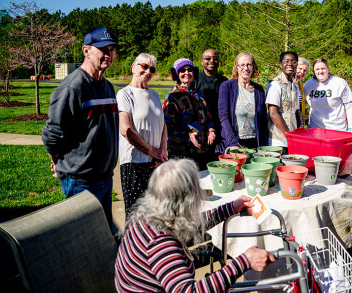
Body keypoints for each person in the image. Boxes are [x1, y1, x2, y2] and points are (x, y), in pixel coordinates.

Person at [114, 159, 275, 292]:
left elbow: (187, 225)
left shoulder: (147, 214)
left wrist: (229, 208)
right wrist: (243, 262)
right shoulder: (160, 243)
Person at [42, 27, 119, 229]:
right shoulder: (72, 87)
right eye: (103, 49)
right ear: (86, 51)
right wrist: (57, 162)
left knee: (102, 236)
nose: (108, 55)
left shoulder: (107, 86)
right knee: (83, 241)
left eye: (112, 49)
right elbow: (53, 135)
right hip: (82, 181)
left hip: (105, 177)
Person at [117, 53, 168, 217]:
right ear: (133, 67)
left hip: (156, 163)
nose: (148, 71)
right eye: (144, 66)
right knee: (136, 216)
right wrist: (153, 151)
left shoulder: (153, 95)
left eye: (152, 69)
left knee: (156, 214)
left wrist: (163, 150)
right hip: (135, 163)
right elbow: (126, 131)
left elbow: (162, 124)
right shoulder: (124, 94)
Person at [163, 58, 216, 169]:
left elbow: (207, 117)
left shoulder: (199, 94)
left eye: (189, 70)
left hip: (202, 149)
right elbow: (167, 126)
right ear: (176, 74)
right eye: (182, 70)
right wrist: (188, 134)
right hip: (181, 151)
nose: (186, 73)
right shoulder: (172, 96)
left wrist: (210, 130)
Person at [218, 51, 268, 149]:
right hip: (234, 143)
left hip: (254, 144)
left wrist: (264, 146)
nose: (245, 68)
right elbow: (223, 116)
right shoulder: (227, 86)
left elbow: (263, 121)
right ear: (236, 67)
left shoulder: (259, 90)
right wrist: (233, 143)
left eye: (249, 64)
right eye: (242, 65)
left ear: (253, 67)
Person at [304, 58, 352, 131]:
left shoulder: (339, 83)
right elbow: (302, 105)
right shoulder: (308, 85)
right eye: (317, 69)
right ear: (314, 71)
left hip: (337, 129)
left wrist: (351, 128)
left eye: (323, 68)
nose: (320, 71)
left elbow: (349, 106)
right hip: (315, 130)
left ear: (328, 69)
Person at [193, 49, 228, 156]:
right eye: (207, 58)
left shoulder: (224, 81)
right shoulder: (195, 80)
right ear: (201, 61)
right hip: (201, 128)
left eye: (215, 58)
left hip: (221, 127)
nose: (211, 61)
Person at [266, 52, 302, 153]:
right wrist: (288, 135)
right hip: (278, 139)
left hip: (292, 138)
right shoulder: (275, 84)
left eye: (294, 62)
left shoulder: (295, 85)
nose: (290, 64)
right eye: (286, 61)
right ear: (281, 65)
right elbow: (273, 113)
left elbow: (296, 110)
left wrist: (300, 130)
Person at [295, 57, 310, 127]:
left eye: (305, 70)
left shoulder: (300, 84)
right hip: (289, 123)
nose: (302, 72)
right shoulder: (288, 82)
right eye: (300, 69)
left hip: (299, 122)